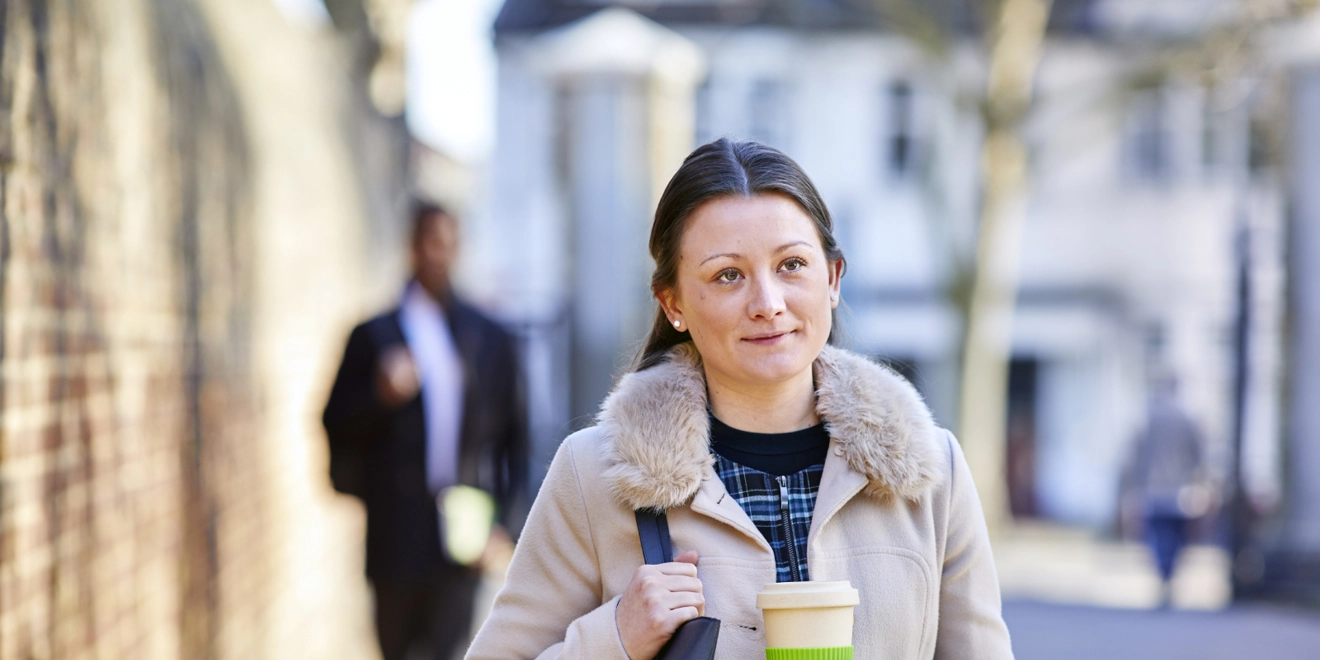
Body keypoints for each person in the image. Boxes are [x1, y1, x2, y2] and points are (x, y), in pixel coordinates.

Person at [465, 139, 1012, 659]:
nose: (768, 303)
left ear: (833, 278)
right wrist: (617, 639)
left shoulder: (932, 474)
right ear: (673, 302)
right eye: (728, 276)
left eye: (792, 265)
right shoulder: (592, 476)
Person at [323, 201, 528, 660]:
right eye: (429, 242)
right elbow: (334, 421)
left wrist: (505, 525)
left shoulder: (490, 338)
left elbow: (517, 439)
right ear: (411, 247)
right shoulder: (373, 336)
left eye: (447, 243)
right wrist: (380, 396)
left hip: (463, 534)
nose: (438, 254)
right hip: (395, 532)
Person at [1125, 376, 1209, 608]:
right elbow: (1199, 452)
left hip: (1153, 487)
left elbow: (1137, 453)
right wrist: (1197, 477)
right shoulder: (1187, 418)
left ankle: (1163, 576)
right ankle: (1170, 576)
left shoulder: (1150, 417)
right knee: (1176, 535)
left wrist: (1135, 483)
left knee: (1158, 534)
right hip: (1180, 489)